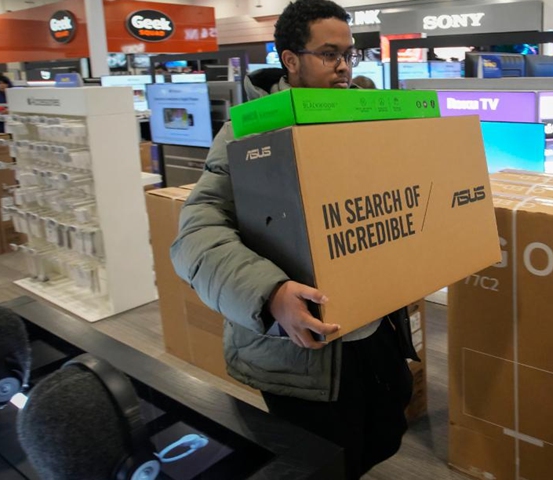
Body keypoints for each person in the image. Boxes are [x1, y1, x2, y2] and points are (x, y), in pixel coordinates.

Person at [170, 1, 418, 478]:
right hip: (301, 349)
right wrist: (271, 294)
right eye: (329, 54)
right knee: (324, 462)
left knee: (381, 437)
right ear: (290, 60)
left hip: (372, 327)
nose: (344, 66)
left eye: (350, 53)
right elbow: (196, 232)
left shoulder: (364, 116)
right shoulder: (248, 130)